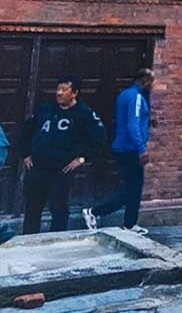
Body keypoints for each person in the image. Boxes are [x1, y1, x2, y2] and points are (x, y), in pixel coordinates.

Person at [17, 76, 106, 235]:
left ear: (74, 93)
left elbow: (99, 139)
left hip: (61, 170)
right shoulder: (45, 109)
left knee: (58, 207)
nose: (59, 93)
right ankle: (28, 240)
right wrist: (25, 154)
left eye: (64, 90)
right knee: (32, 207)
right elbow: (25, 131)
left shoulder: (84, 114)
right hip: (38, 167)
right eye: (58, 89)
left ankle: (56, 240)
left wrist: (82, 158)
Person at [83, 68, 154, 234]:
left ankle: (130, 223)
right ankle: (96, 211)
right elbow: (132, 124)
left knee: (132, 187)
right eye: (152, 81)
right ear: (145, 81)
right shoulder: (136, 97)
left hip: (123, 146)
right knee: (133, 188)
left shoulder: (124, 94)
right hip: (130, 149)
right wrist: (141, 148)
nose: (153, 85)